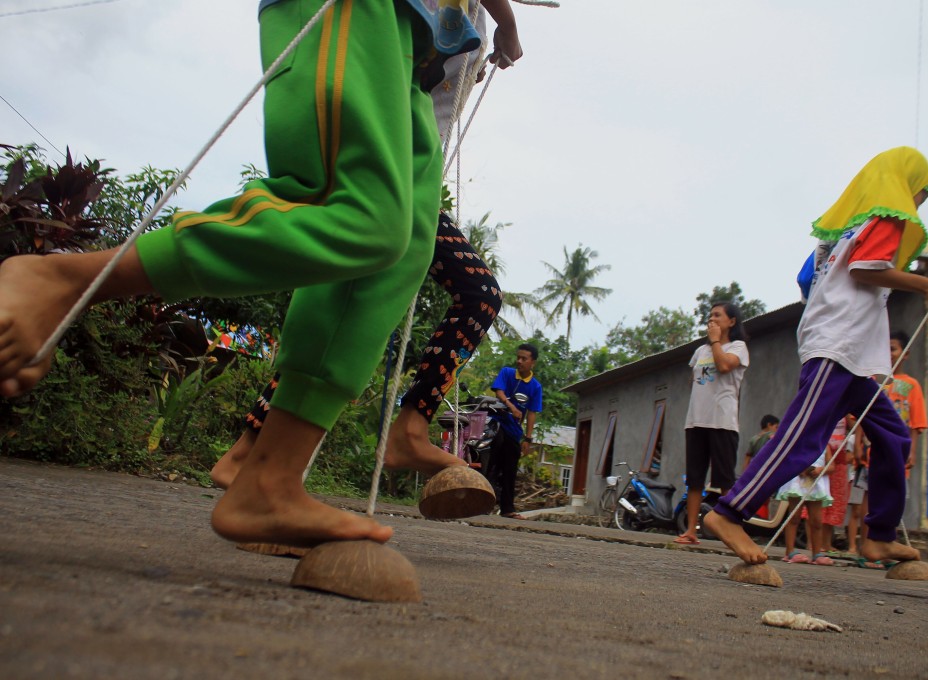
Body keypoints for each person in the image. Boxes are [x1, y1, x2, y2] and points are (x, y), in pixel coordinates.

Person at [0, 0, 522, 550]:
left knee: (398, 253)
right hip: (365, 9)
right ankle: (63, 279)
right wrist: (507, 24)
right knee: (364, 219)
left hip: (420, 51)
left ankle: (268, 482)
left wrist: (501, 26)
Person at [211, 0, 519, 490]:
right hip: (384, 172)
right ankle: (403, 430)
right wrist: (510, 27)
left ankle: (251, 453)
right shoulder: (442, 8)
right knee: (469, 294)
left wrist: (482, 53)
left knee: (359, 309)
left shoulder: (467, 17)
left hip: (410, 179)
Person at [704, 147, 928, 568]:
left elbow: (806, 278)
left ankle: (878, 537)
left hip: (853, 356)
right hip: (836, 349)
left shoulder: (842, 233)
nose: (919, 206)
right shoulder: (886, 220)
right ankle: (729, 513)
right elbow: (865, 268)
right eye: (921, 195)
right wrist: (926, 286)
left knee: (894, 437)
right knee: (802, 439)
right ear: (901, 185)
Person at [674, 302, 749, 546]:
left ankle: (731, 531)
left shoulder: (738, 347)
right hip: (696, 421)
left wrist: (716, 342)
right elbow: (693, 381)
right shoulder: (700, 352)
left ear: (732, 321)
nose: (712, 320)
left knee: (725, 479)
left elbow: (725, 366)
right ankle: (691, 531)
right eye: (710, 316)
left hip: (723, 422)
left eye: (718, 315)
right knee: (695, 479)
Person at [487, 342, 542, 519]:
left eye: (524, 359)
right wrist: (511, 407)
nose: (519, 361)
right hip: (496, 424)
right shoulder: (507, 373)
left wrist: (528, 438)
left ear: (532, 362)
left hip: (514, 431)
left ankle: (507, 509)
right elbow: (499, 392)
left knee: (510, 469)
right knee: (491, 463)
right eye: (518, 357)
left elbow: (532, 413)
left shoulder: (535, 387)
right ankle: (483, 502)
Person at [883, 330, 928, 477]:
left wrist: (912, 451)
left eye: (892, 349)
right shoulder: (874, 380)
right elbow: (861, 416)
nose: (888, 353)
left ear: (906, 354)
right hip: (872, 451)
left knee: (894, 495)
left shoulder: (912, 385)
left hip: (899, 451)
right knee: (866, 496)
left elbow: (915, 423)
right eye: (884, 349)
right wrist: (858, 444)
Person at [776, 450, 832, 565]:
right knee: (794, 517)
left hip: (816, 484)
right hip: (798, 481)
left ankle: (816, 553)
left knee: (817, 521)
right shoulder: (801, 438)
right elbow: (789, 456)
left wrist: (820, 470)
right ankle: (789, 551)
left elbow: (831, 466)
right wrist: (799, 468)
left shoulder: (825, 444)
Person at [819, 415, 853, 555]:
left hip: (839, 460)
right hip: (823, 455)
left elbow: (854, 424)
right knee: (819, 502)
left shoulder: (846, 412)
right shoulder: (826, 406)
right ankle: (815, 543)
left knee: (833, 503)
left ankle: (826, 543)